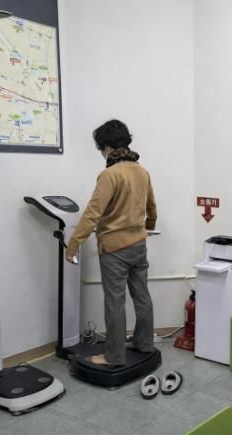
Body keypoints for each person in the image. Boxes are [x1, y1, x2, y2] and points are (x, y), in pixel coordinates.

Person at [66, 119, 157, 366]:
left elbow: (92, 214)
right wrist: (148, 227)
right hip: (139, 245)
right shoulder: (142, 171)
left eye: (100, 148)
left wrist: (73, 244)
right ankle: (144, 342)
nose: (101, 153)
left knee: (115, 303)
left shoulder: (110, 174)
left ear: (106, 146)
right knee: (142, 296)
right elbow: (151, 207)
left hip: (114, 249)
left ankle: (114, 356)